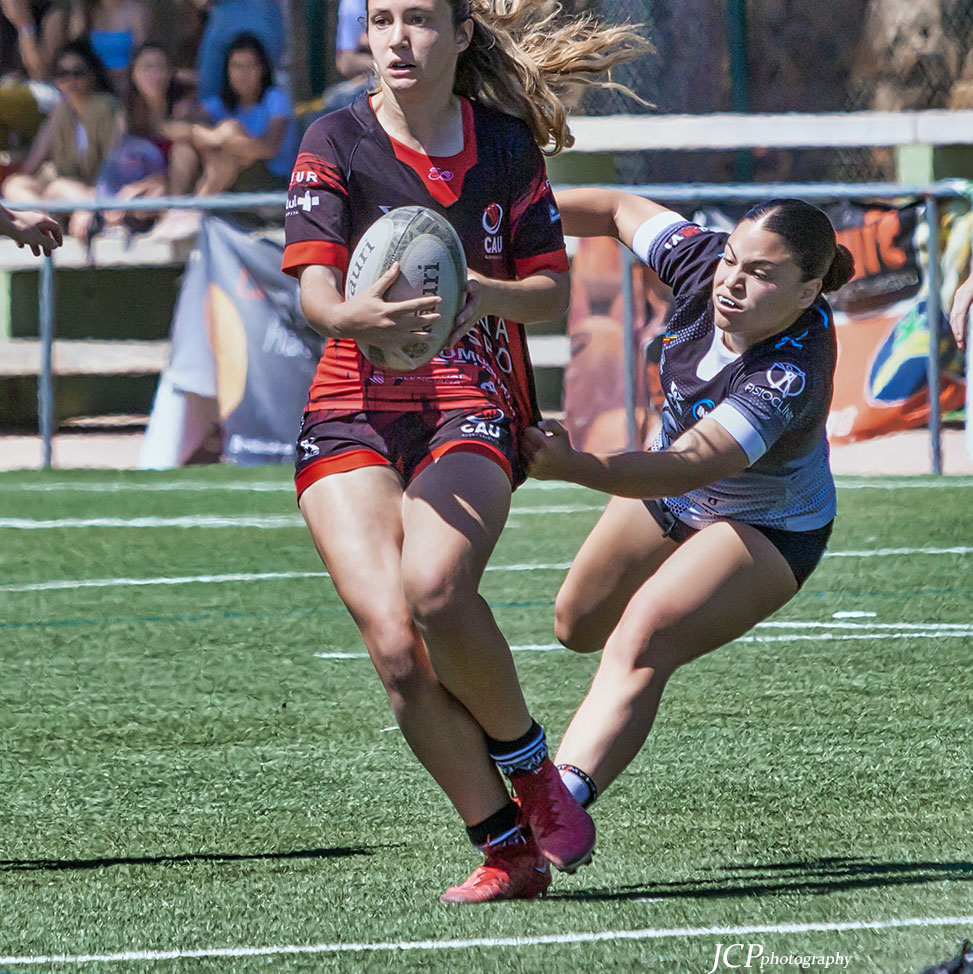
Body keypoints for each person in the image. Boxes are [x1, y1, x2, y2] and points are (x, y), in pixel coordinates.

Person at [281, 0, 649, 903]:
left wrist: (477, 289)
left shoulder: (505, 147)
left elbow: (548, 294)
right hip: (350, 406)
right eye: (380, 21)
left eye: (417, 20)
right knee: (398, 651)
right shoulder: (334, 138)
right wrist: (348, 316)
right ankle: (507, 847)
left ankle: (532, 775)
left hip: (466, 396)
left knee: (438, 590)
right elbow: (315, 295)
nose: (397, 39)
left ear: (460, 35)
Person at [521, 191, 856, 824]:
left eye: (761, 274)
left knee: (643, 634)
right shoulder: (706, 267)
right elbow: (617, 208)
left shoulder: (791, 371)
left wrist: (577, 467)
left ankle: (558, 808)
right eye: (734, 259)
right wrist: (504, 209)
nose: (733, 281)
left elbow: (695, 462)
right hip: (673, 488)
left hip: (766, 525)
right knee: (576, 624)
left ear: (808, 293)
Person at [2, 38, 120, 241]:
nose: (70, 80)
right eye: (63, 74)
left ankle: (77, 216)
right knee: (15, 184)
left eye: (77, 72)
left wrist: (89, 203)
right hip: (59, 193)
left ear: (92, 74)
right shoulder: (61, 111)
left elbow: (114, 164)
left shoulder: (108, 107)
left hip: (97, 189)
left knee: (59, 187)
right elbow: (31, 165)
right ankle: (42, 223)